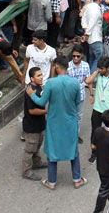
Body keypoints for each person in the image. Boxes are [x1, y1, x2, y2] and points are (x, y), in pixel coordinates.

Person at [27, 55, 86, 189]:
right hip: (70, 121)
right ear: (68, 66)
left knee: (52, 150)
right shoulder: (75, 83)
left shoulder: (51, 83)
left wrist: (32, 94)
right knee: (73, 150)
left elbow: (42, 102)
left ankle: (51, 181)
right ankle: (77, 179)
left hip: (54, 122)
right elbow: (77, 101)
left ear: (57, 67)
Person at [20, 66, 47, 181]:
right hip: (31, 125)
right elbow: (31, 111)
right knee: (30, 148)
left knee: (38, 144)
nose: (41, 77)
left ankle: (37, 163)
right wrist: (47, 111)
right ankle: (26, 171)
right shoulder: (30, 91)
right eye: (38, 75)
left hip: (40, 124)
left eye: (41, 75)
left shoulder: (38, 87)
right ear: (32, 79)